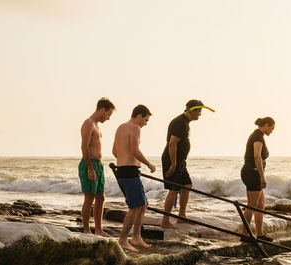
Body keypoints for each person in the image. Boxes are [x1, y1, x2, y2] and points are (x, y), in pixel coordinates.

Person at [160, 100, 215, 229]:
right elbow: (172, 144)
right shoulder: (180, 123)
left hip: (180, 161)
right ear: (192, 110)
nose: (200, 114)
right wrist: (173, 163)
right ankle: (165, 221)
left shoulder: (185, 122)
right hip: (173, 159)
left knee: (187, 185)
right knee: (174, 189)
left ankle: (181, 216)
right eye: (199, 111)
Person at [112, 104, 156, 252]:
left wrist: (124, 160)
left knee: (143, 204)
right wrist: (149, 164)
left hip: (122, 172)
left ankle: (136, 238)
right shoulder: (135, 128)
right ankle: (123, 239)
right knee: (135, 207)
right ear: (139, 116)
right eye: (146, 120)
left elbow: (114, 151)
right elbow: (134, 149)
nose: (145, 124)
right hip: (130, 172)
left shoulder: (120, 127)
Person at [79, 97, 116, 237]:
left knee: (101, 198)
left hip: (99, 165)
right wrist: (90, 168)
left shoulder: (97, 125)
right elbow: (84, 147)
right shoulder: (88, 123)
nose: (108, 118)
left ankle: (99, 230)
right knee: (89, 198)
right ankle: (87, 230)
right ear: (102, 110)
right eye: (108, 114)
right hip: (89, 164)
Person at [240, 117, 275, 242]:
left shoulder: (258, 135)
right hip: (252, 173)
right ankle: (245, 234)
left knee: (260, 205)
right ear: (265, 125)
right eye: (271, 128)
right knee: (252, 205)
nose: (272, 131)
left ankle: (260, 234)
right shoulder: (257, 137)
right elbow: (256, 156)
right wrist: (262, 176)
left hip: (253, 173)